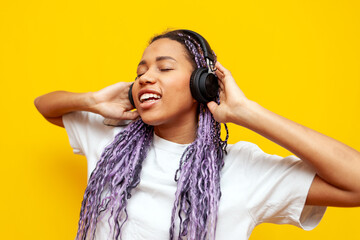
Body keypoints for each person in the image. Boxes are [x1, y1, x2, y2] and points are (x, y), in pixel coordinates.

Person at [34, 29, 360, 240]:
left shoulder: (244, 169)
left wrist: (247, 112)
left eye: (164, 68)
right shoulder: (111, 140)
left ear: (201, 85)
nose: (146, 77)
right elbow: (45, 106)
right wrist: (92, 100)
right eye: (140, 71)